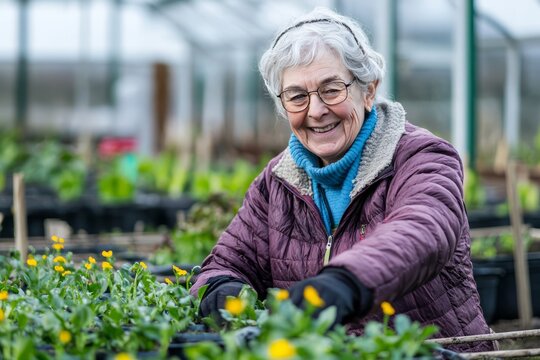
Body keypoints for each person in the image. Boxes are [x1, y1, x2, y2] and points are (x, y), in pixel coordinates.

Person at [190, 6, 496, 352]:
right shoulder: (277, 181)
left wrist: (345, 282)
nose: (316, 110)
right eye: (297, 96)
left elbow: (422, 229)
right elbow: (230, 260)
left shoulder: (421, 158)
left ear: (368, 90)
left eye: (331, 89)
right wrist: (219, 288)